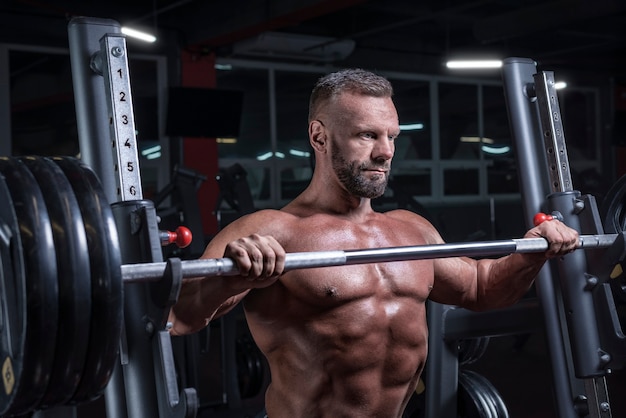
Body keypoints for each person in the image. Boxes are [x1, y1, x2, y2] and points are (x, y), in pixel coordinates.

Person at [169, 68, 579, 418]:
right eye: (367, 135)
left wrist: (534, 249)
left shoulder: (410, 230)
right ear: (319, 136)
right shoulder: (272, 231)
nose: (385, 152)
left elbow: (481, 287)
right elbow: (179, 317)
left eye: (391, 136)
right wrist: (235, 278)